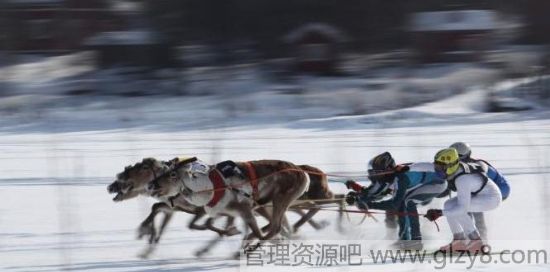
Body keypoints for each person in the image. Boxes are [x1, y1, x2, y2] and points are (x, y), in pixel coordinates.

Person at [346, 152, 447, 250]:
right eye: (372, 173)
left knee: (407, 202)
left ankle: (415, 241)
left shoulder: (401, 178)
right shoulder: (386, 178)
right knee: (403, 203)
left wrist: (369, 205)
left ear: (387, 170)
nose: (373, 176)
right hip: (418, 186)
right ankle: (405, 241)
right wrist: (356, 196)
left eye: (376, 173)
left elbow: (393, 205)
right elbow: (372, 193)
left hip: (437, 184)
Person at [426, 148, 502, 253]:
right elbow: (425, 166)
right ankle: (459, 241)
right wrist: (407, 168)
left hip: (492, 198)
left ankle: (476, 241)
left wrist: (439, 213)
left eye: (441, 166)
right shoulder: (456, 168)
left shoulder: (463, 179)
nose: (438, 169)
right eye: (437, 165)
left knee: (459, 209)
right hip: (480, 194)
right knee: (448, 204)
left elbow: (462, 208)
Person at [449, 142, 510, 242]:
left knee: (468, 206)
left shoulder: (477, 164)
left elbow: (482, 177)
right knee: (465, 204)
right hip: (488, 189)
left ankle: (480, 237)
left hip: (501, 189)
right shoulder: (463, 166)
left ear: (466, 155)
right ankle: (472, 236)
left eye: (459, 157)